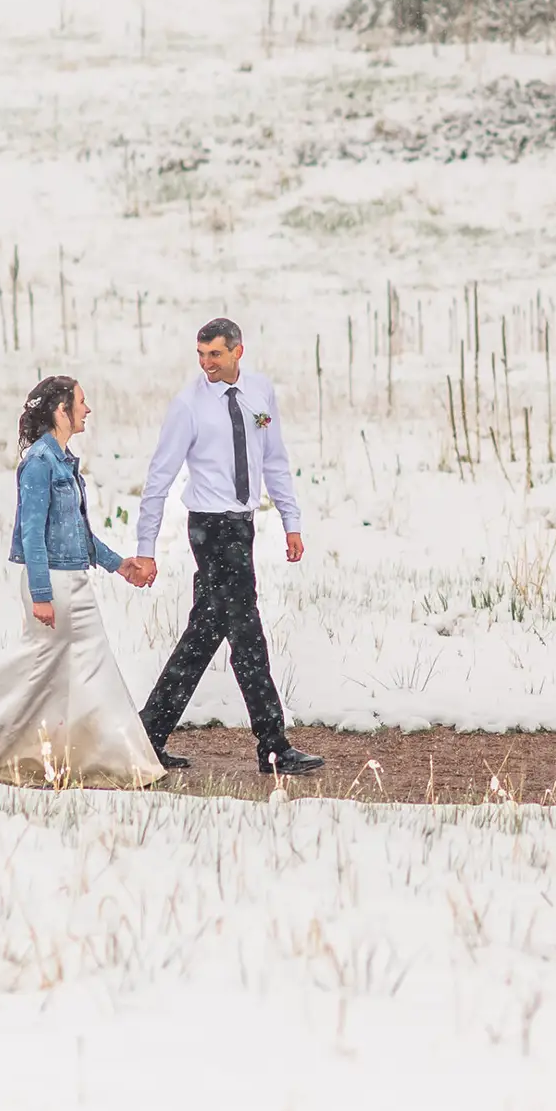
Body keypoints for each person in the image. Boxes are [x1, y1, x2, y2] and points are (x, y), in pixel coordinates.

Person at [0, 376, 165, 787]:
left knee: (62, 674)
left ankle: (83, 756)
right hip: (55, 586)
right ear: (61, 411)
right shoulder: (40, 464)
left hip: (70, 580)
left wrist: (118, 564)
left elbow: (75, 531)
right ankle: (114, 762)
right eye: (81, 402)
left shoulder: (61, 460)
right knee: (48, 671)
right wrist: (42, 594)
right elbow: (32, 534)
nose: (87, 409)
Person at [127, 318, 325, 775]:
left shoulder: (260, 393)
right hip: (211, 531)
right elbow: (158, 479)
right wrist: (146, 547)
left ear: (237, 351)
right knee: (248, 636)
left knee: (203, 636)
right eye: (200, 355)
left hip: (245, 526)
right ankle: (273, 747)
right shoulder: (188, 406)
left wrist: (291, 521)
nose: (206, 364)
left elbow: (274, 459)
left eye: (214, 355)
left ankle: (148, 733)